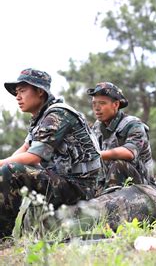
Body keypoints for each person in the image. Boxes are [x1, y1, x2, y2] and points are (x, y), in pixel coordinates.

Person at [0, 69, 101, 238]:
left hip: (80, 187)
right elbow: (24, 149)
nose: (18, 97)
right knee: (7, 168)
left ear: (40, 92)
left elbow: (33, 156)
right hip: (65, 181)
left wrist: (3, 164)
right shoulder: (40, 118)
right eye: (16, 93)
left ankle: (3, 238)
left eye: (23, 91)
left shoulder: (57, 114)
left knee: (11, 171)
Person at [87, 82, 154, 191]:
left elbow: (129, 152)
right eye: (94, 103)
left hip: (142, 189)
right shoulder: (96, 128)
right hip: (109, 184)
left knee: (119, 164)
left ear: (116, 105)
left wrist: (97, 155)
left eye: (102, 103)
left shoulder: (133, 125)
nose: (97, 108)